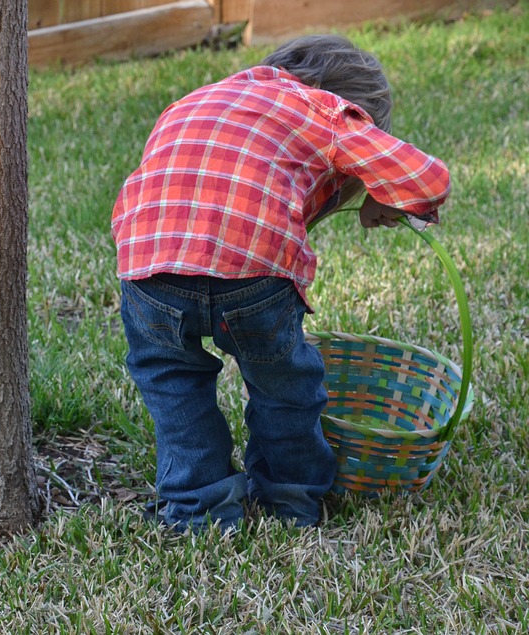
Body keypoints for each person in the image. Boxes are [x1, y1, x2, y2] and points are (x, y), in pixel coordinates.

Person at [111, 34, 451, 533]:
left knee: (172, 385)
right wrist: (384, 190)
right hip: (253, 270)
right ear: (356, 108)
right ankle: (288, 502)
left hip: (148, 261)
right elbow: (429, 178)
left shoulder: (199, 98)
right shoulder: (326, 109)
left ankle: (196, 511)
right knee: (285, 386)